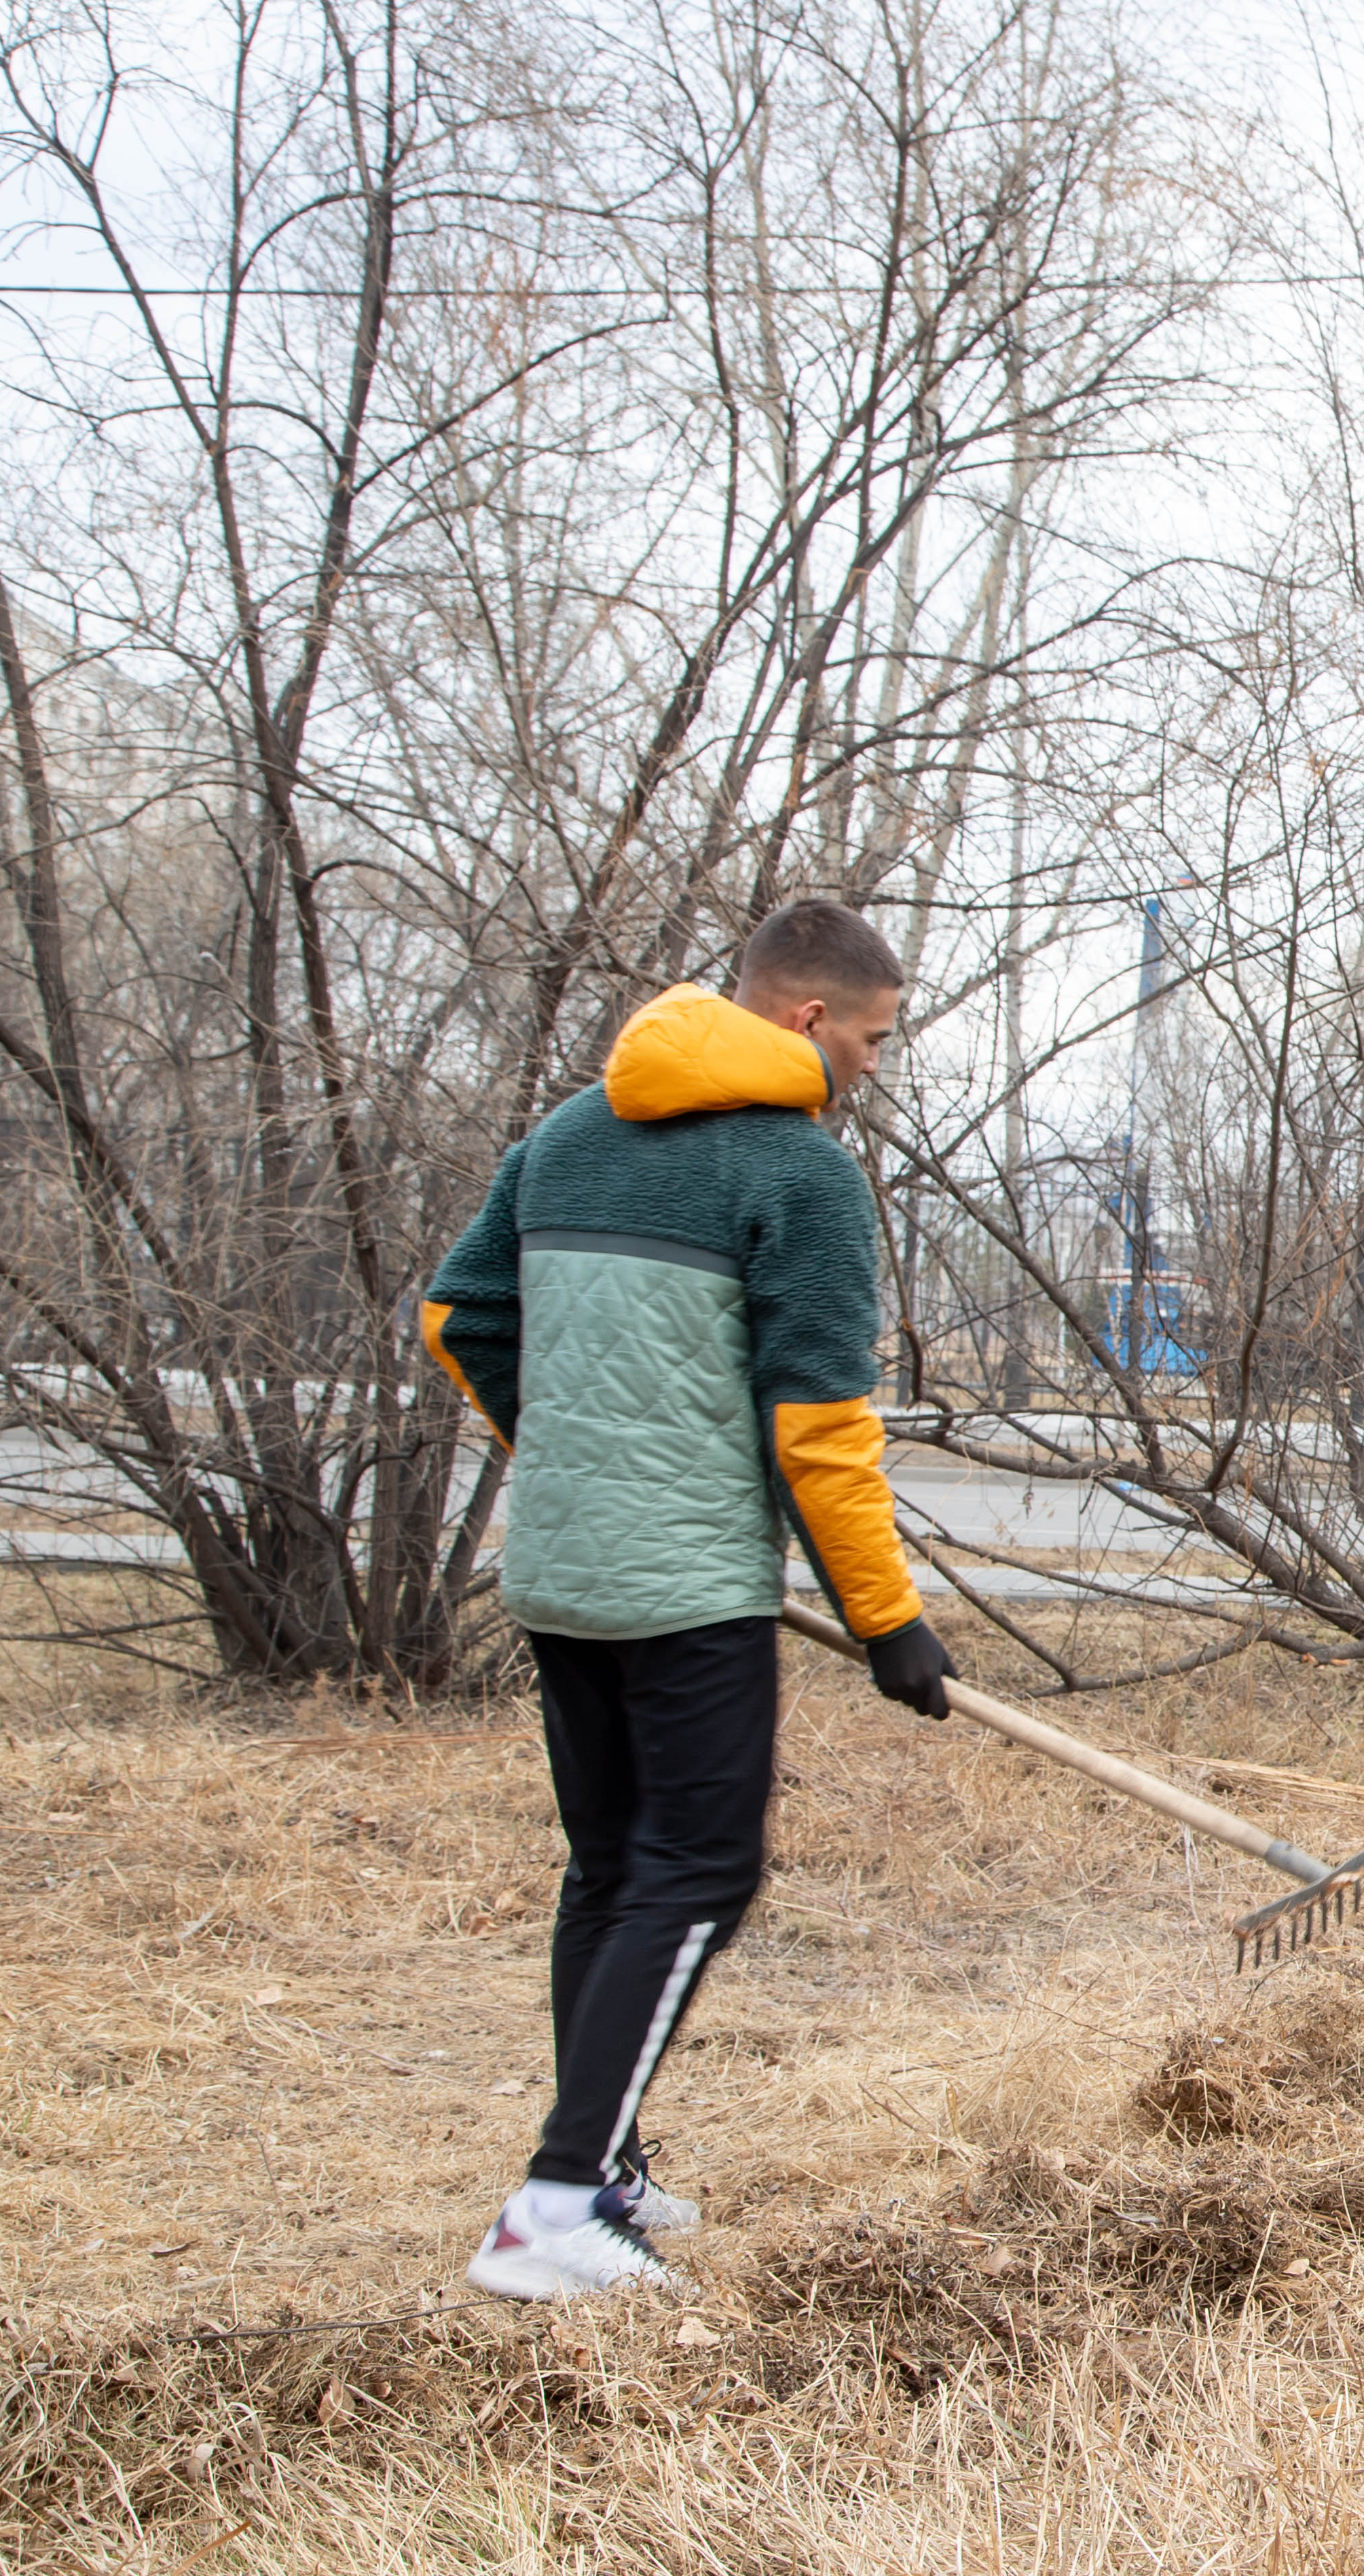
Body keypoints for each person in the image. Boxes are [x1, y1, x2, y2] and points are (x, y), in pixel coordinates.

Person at [418, 896, 959, 2300]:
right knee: (700, 1869)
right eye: (874, 1039)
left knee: (612, 1869)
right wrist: (886, 1619)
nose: (874, 1069)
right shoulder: (802, 1175)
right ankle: (552, 2210)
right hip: (683, 1586)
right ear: (806, 1021)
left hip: (560, 1566)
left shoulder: (568, 1134)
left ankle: (599, 2169)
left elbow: (457, 1318)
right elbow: (820, 1429)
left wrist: (576, 1457)